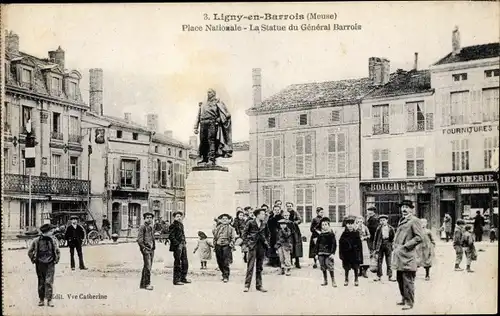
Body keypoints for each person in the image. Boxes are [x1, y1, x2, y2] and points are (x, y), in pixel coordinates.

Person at [392, 200, 424, 311]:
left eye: (406, 207)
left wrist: (406, 246)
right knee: (399, 278)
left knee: (407, 279)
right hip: (399, 255)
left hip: (408, 256)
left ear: (412, 209)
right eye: (402, 207)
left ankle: (409, 302)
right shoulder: (402, 220)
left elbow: (419, 237)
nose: (404, 209)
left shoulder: (415, 221)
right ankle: (404, 298)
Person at [193, 89, 233, 166]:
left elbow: (227, 114)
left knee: (211, 140)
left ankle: (211, 159)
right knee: (203, 141)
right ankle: (204, 159)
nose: (208, 93)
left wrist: (219, 119)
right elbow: (198, 115)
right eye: (207, 92)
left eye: (210, 92)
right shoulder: (203, 104)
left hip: (212, 123)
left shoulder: (218, 103)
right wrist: (196, 127)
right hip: (203, 123)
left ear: (214, 93)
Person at [28, 223, 60, 307]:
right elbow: (30, 251)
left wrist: (56, 259)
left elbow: (57, 251)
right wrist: (34, 259)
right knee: (41, 282)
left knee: (49, 282)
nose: (52, 232)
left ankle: (49, 300)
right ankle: (41, 299)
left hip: (50, 264)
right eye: (51, 231)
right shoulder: (36, 240)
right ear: (46, 232)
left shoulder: (53, 240)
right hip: (40, 264)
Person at [242, 208, 270, 292]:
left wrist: (266, 242)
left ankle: (259, 285)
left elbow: (268, 234)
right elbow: (244, 234)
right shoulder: (250, 222)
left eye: (264, 214)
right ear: (257, 215)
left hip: (261, 246)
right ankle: (247, 285)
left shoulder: (264, 223)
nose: (264, 215)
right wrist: (248, 243)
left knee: (259, 267)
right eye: (262, 214)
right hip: (252, 246)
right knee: (250, 266)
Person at [339, 216, 363, 287]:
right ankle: (346, 279)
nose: (350, 225)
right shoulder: (344, 234)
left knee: (355, 267)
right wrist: (341, 254)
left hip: (355, 254)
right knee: (346, 268)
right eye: (348, 224)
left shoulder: (356, 233)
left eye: (351, 224)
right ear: (346, 225)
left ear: (354, 224)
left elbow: (359, 245)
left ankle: (356, 279)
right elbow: (341, 244)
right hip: (346, 254)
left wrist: (359, 255)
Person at [168, 211, 191, 285]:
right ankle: (176, 280)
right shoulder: (173, 225)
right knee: (177, 263)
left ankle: (183, 278)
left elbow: (182, 234)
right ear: (174, 217)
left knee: (185, 262)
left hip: (183, 244)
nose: (179, 217)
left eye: (180, 216)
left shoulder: (181, 225)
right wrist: (177, 244)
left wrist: (184, 242)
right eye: (177, 216)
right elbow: (171, 236)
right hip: (177, 246)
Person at [213, 213, 237, 282]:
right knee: (219, 261)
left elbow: (233, 238)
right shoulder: (218, 227)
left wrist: (231, 244)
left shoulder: (231, 228)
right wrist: (215, 244)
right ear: (220, 220)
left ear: (229, 220)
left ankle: (226, 276)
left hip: (226, 245)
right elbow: (215, 237)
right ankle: (223, 273)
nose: (224, 220)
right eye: (223, 219)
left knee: (226, 262)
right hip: (218, 245)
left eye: (226, 219)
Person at [315, 217, 337, 287]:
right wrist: (316, 254)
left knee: (329, 265)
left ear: (329, 225)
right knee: (323, 266)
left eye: (326, 224)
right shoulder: (320, 235)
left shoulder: (331, 234)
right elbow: (317, 245)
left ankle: (333, 280)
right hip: (321, 253)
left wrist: (332, 253)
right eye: (323, 225)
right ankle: (325, 280)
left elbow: (334, 244)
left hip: (328, 253)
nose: (324, 226)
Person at [373, 214, 396, 282]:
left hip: (388, 244)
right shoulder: (378, 228)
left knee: (389, 261)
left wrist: (392, 245)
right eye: (381, 220)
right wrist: (375, 248)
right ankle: (379, 275)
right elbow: (375, 238)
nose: (382, 222)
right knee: (379, 261)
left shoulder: (391, 228)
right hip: (380, 245)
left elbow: (393, 238)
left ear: (387, 220)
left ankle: (390, 276)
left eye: (384, 220)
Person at [137, 212, 156, 290]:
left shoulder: (151, 227)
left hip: (151, 249)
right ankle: (147, 284)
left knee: (147, 266)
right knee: (148, 266)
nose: (149, 219)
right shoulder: (142, 227)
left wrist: (154, 246)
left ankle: (143, 284)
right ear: (144, 218)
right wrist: (144, 248)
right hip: (146, 249)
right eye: (147, 217)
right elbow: (139, 240)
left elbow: (152, 237)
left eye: (151, 217)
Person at [287, 204, 304, 269]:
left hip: (295, 231)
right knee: (290, 245)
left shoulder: (295, 213)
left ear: (292, 206)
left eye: (290, 206)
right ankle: (290, 261)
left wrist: (295, 222)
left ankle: (297, 262)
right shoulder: (285, 213)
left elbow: (300, 219)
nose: (289, 207)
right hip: (288, 230)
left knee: (297, 246)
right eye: (288, 206)